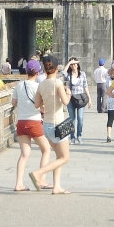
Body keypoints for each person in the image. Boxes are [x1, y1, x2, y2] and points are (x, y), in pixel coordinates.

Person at [30, 55, 72, 194]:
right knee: (65, 157)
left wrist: (47, 99)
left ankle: (57, 186)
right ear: (57, 68)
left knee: (59, 156)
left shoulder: (41, 84)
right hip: (58, 124)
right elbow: (65, 102)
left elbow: (37, 104)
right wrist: (68, 93)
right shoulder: (58, 83)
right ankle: (38, 173)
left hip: (47, 125)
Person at [13, 60, 52, 192]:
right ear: (37, 72)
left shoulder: (19, 85)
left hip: (21, 122)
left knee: (24, 154)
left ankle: (18, 184)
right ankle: (41, 180)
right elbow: (42, 105)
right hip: (34, 122)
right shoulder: (38, 87)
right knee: (46, 150)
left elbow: (13, 102)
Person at [65, 58, 90, 144]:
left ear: (78, 64)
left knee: (80, 118)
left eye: (75, 64)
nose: (74, 66)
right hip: (71, 98)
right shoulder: (68, 74)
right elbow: (62, 73)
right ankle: (72, 137)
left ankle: (79, 135)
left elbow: (85, 86)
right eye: (72, 64)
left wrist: (89, 98)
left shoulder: (82, 74)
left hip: (81, 98)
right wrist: (69, 63)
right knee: (72, 119)